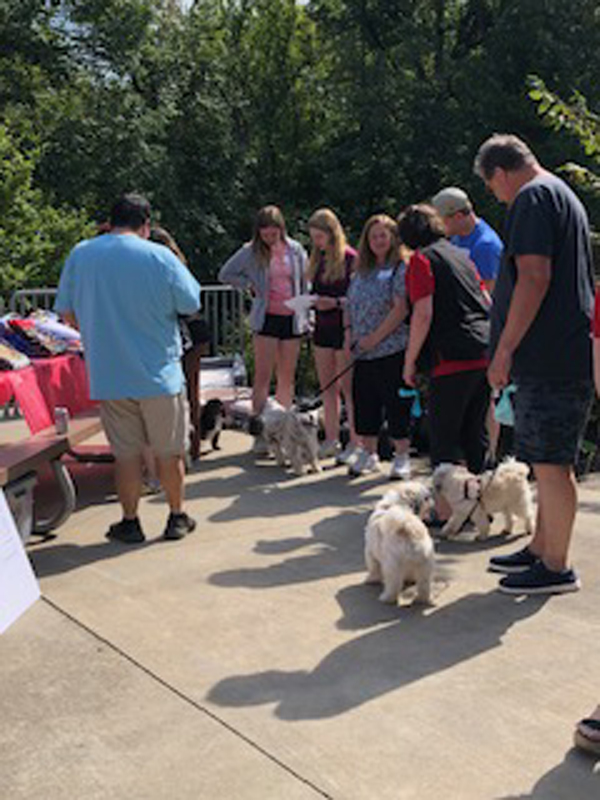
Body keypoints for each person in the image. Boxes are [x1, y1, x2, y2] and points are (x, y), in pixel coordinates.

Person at [475, 133, 594, 595]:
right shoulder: (560, 193)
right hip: (560, 352)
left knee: (552, 463)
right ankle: (542, 547)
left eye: (492, 187)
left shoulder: (532, 198)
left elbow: (533, 276)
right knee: (547, 461)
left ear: (500, 173)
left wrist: (504, 349)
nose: (497, 197)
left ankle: (557, 566)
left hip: (550, 356)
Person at [55, 193, 201, 544]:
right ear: (146, 225)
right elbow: (191, 302)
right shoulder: (160, 256)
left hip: (110, 374)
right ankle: (176, 516)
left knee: (126, 456)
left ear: (111, 221)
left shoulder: (82, 254)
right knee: (169, 452)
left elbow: (67, 312)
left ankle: (130, 520)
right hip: (160, 374)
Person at [398, 204, 491, 485]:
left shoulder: (421, 261)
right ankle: (481, 497)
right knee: (475, 433)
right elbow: (487, 302)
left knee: (444, 438)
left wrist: (410, 361)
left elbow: (423, 313)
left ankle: (446, 503)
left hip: (450, 357)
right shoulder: (461, 256)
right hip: (482, 349)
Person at [219, 205, 308, 429]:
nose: (269, 237)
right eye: (264, 232)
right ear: (258, 232)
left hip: (292, 317)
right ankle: (258, 426)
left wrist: (308, 312)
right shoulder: (250, 251)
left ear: (281, 228)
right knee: (262, 376)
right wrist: (248, 285)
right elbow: (225, 274)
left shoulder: (295, 250)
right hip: (266, 317)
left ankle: (283, 426)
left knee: (286, 376)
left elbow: (305, 280)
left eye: (273, 232)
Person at [345, 214, 412, 479]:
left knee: (396, 404)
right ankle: (368, 452)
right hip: (362, 351)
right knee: (365, 403)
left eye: (383, 235)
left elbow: (400, 308)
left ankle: (402, 455)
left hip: (391, 348)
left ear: (393, 237)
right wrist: (350, 335)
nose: (378, 241)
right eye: (373, 236)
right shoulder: (362, 271)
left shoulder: (400, 267)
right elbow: (350, 304)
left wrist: (375, 338)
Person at [150, 226, 210, 462]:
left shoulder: (161, 266)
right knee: (191, 391)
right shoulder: (178, 264)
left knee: (179, 393)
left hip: (184, 334)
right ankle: (193, 446)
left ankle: (184, 446)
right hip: (195, 332)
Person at [306, 208, 360, 464]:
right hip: (322, 327)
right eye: (314, 238)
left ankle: (356, 441)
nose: (317, 243)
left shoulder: (351, 259)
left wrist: (335, 302)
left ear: (332, 233)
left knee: (349, 389)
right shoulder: (317, 260)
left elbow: (358, 298)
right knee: (328, 387)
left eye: (320, 237)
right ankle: (331, 438)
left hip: (345, 327)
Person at [431, 186, 503, 293]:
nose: (438, 225)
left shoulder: (485, 246)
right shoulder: (457, 236)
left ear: (458, 216)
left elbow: (488, 295)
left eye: (441, 221)